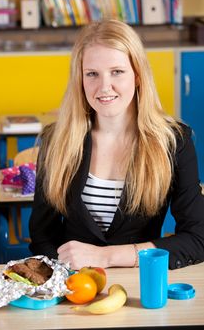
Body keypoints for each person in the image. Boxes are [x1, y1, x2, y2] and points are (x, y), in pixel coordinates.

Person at [29, 19, 204, 270]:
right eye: (92, 74)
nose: (104, 87)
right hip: (74, 287)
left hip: (141, 284)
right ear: (80, 79)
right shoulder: (56, 141)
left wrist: (106, 257)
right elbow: (42, 237)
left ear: (137, 76)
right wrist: (68, 277)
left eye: (117, 72)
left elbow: (197, 239)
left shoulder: (174, 141)